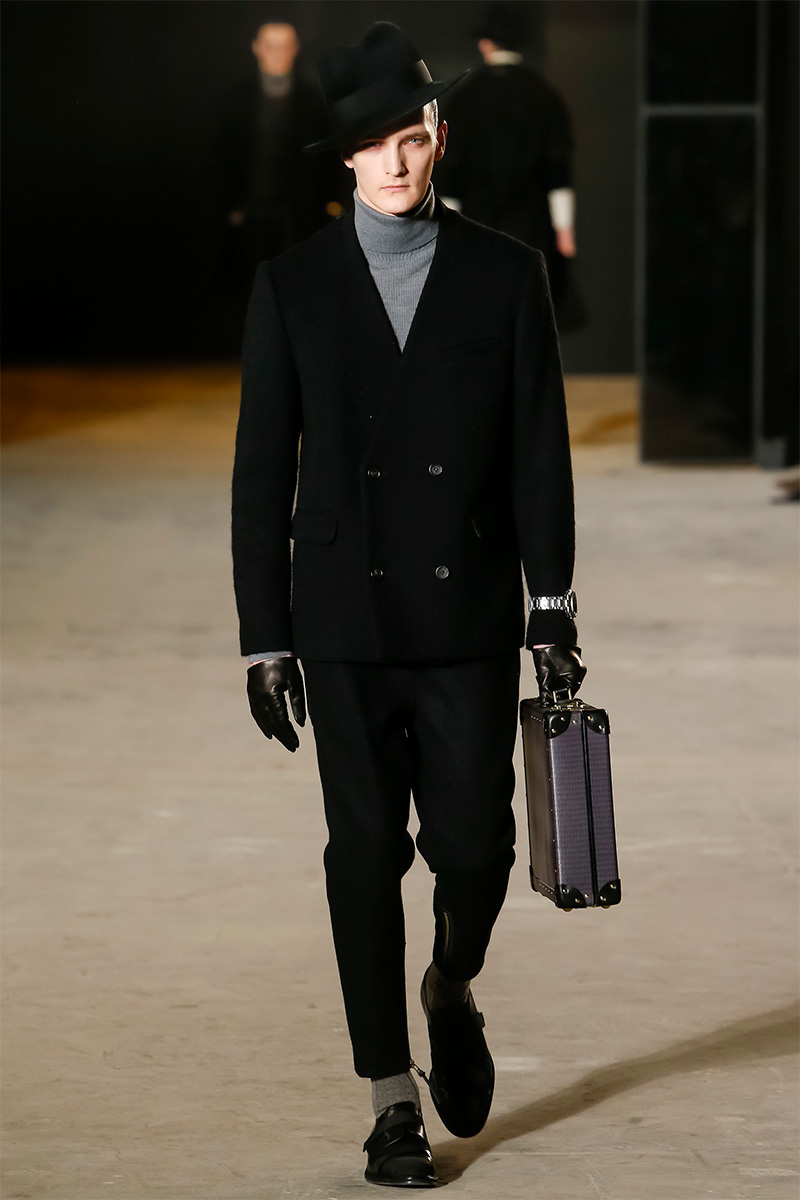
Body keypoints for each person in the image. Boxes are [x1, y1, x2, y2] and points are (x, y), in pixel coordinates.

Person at [231, 21, 586, 1188]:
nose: (391, 161)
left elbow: (538, 451)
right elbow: (260, 471)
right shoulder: (290, 287)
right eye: (370, 143)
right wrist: (263, 639)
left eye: (409, 137)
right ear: (343, 157)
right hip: (341, 616)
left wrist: (550, 605)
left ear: (438, 137)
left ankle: (449, 980)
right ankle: (389, 1101)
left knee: (476, 849)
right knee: (363, 854)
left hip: (466, 612)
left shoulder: (504, 273)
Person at [437, 1, 586, 330]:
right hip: (532, 227)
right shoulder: (545, 96)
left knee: (481, 321)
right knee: (528, 321)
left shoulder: (465, 98)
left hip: (475, 225)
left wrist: (444, 232)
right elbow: (557, 168)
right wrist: (565, 231)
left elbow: (451, 171)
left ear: (485, 43)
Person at [218, 21, 342, 291]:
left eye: (284, 46)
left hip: (299, 215)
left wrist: (326, 208)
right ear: (257, 48)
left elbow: (328, 162)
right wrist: (231, 206)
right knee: (249, 288)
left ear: (295, 49)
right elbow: (222, 158)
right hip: (248, 214)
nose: (278, 53)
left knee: (297, 285)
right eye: (271, 46)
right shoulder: (237, 101)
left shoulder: (313, 102)